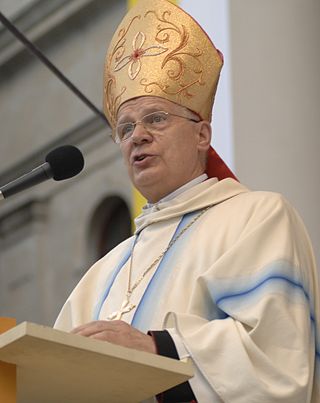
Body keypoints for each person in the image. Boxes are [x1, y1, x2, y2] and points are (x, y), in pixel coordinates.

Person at [54, 0, 320, 401]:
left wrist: (156, 350)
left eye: (156, 119)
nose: (137, 136)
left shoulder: (256, 218)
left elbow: (278, 360)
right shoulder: (101, 275)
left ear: (202, 135)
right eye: (125, 128)